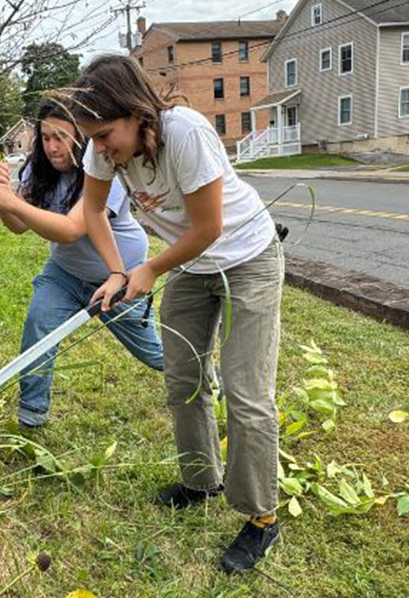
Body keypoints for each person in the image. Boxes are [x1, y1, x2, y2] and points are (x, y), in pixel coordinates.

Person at [71, 55, 285, 573]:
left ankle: (261, 517)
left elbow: (208, 229)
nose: (100, 148)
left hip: (246, 259)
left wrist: (148, 270)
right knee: (182, 378)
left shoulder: (184, 133)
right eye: (92, 138)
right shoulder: (105, 152)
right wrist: (120, 271)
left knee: (246, 391)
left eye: (105, 134)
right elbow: (94, 211)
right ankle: (201, 480)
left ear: (135, 112)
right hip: (192, 266)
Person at [0, 99, 164, 428]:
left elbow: (71, 230)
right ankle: (32, 416)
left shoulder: (105, 171)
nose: (52, 146)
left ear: (82, 136)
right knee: (38, 325)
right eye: (45, 137)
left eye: (60, 137)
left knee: (155, 354)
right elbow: (18, 225)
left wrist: (9, 201)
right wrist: (4, 198)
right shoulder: (39, 170)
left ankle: (209, 382)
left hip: (119, 280)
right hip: (64, 274)